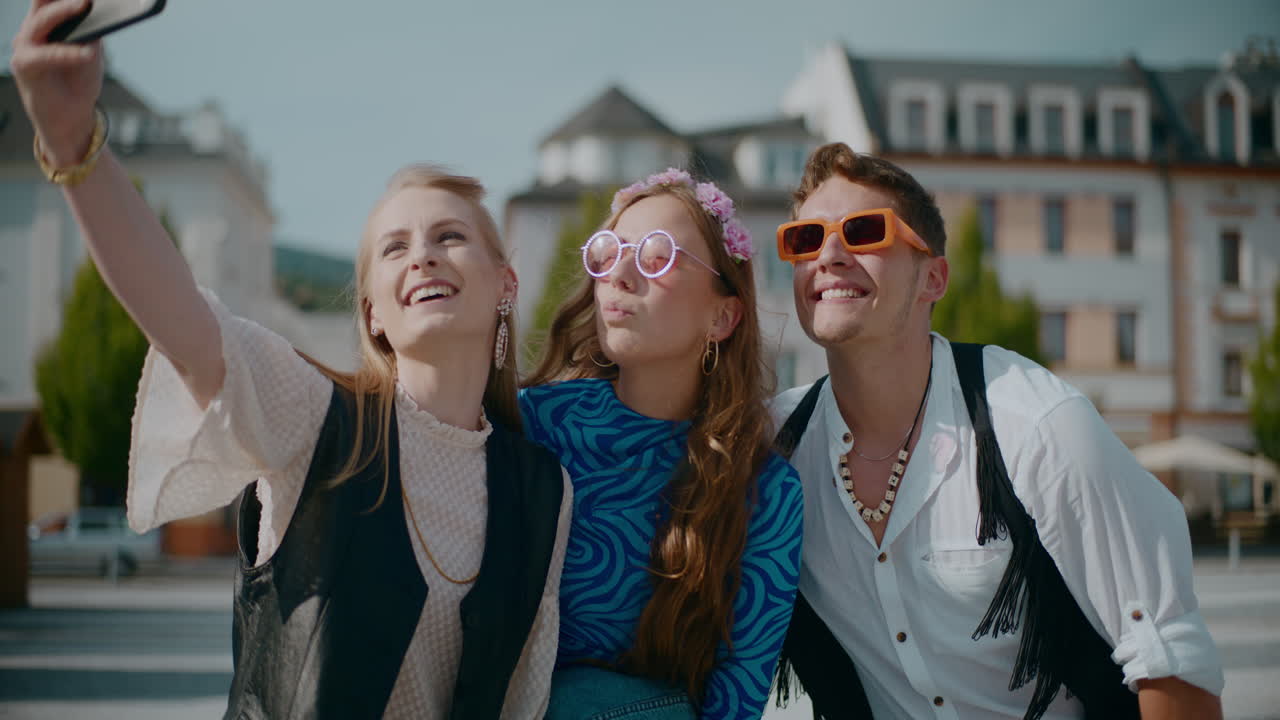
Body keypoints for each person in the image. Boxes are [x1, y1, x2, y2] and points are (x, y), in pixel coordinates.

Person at [10, 2, 571, 717]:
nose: (423, 253)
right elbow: (184, 323)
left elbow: (519, 700)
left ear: (506, 284)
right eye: (395, 248)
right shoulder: (313, 417)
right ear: (372, 311)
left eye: (450, 236)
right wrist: (72, 143)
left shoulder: (542, 488)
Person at [769, 143, 1224, 719]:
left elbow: (1170, 664)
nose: (829, 254)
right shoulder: (772, 448)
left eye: (863, 231)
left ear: (933, 278)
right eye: (804, 239)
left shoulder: (1037, 426)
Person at [521, 169, 804, 719]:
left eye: (657, 255)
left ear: (722, 315)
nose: (620, 275)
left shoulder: (764, 491)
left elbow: (735, 701)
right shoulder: (533, 427)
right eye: (607, 252)